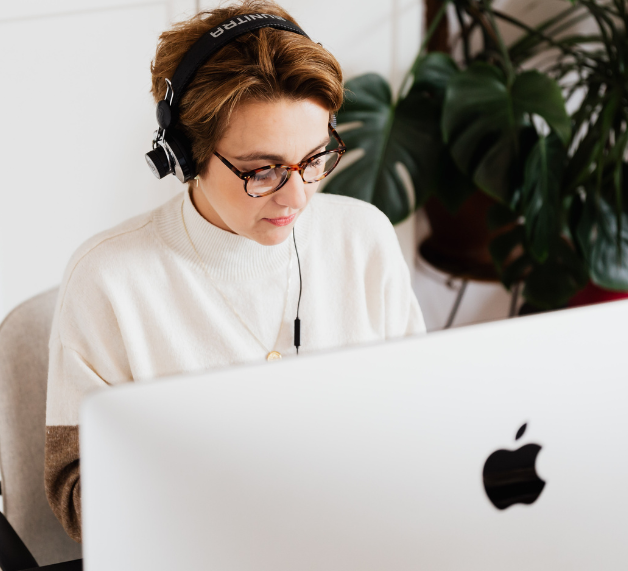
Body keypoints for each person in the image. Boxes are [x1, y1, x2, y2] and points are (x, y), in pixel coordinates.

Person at [44, 0, 425, 543]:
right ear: (187, 154)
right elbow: (78, 497)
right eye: (263, 169)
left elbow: (421, 417)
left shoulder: (364, 238)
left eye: (316, 157)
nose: (297, 195)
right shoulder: (109, 280)